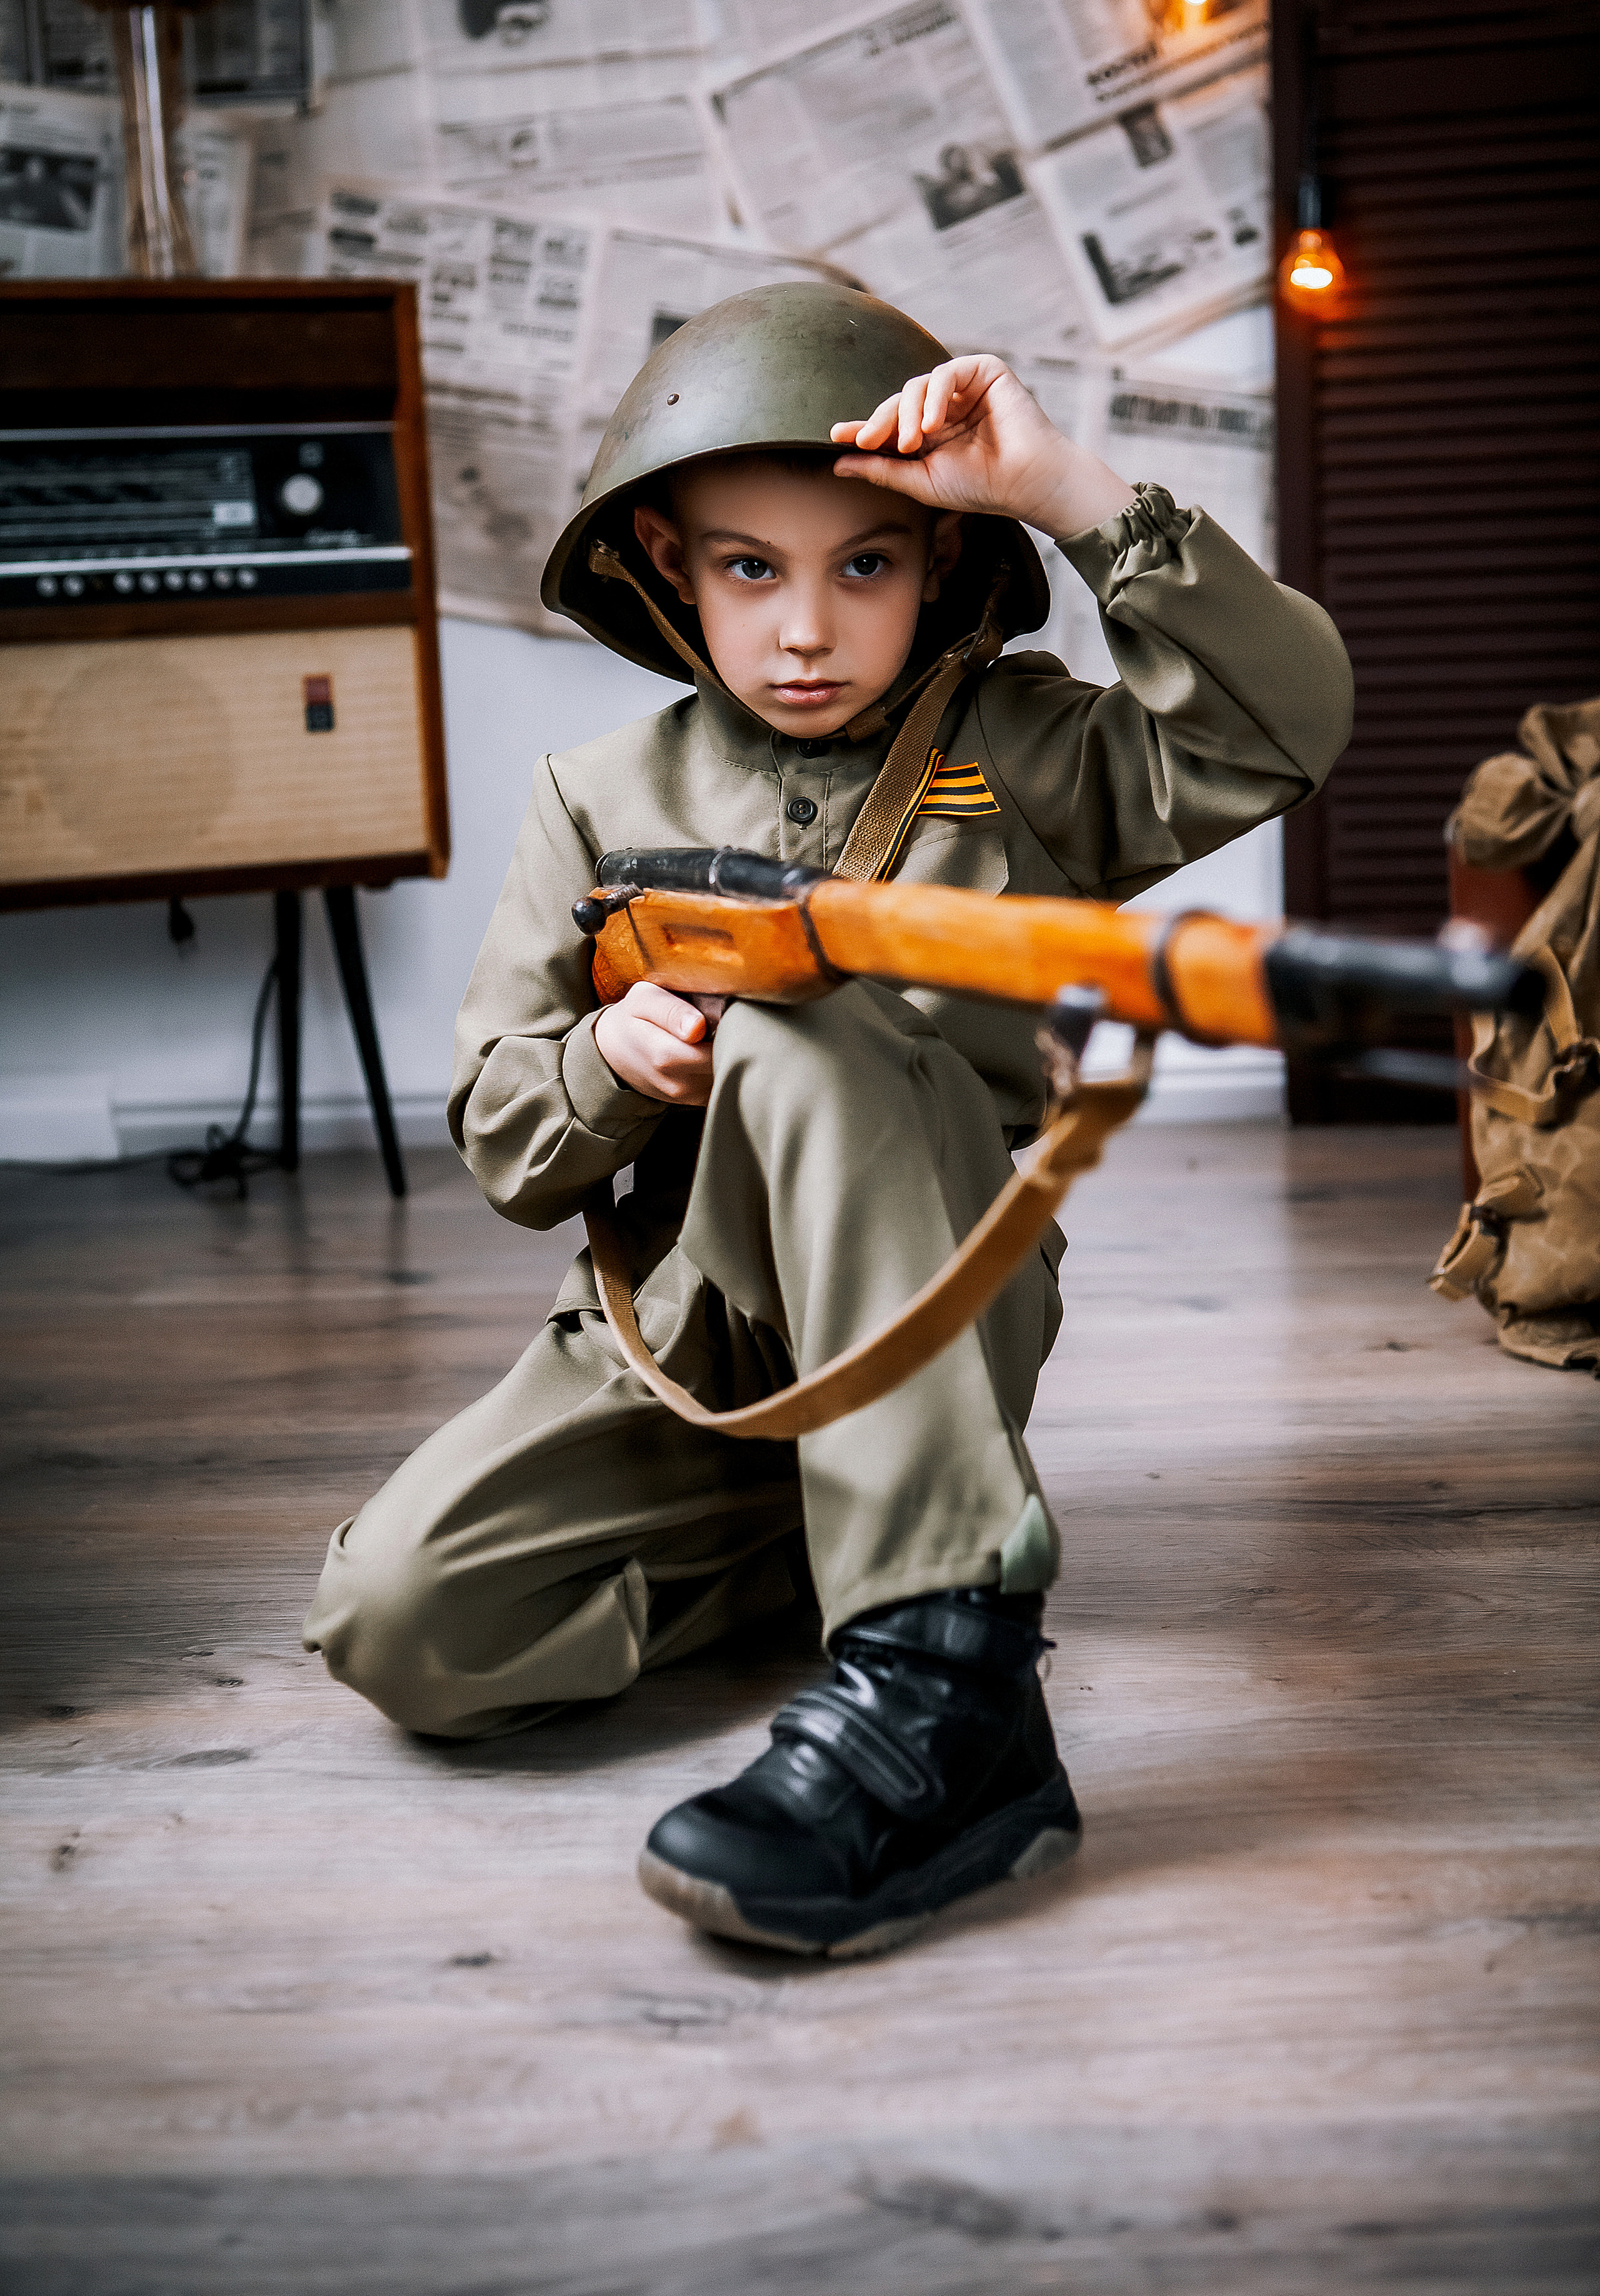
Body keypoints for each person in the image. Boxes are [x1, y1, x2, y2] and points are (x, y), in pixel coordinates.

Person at [302, 283, 1352, 1958]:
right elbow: (502, 1133)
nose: (806, 629)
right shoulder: (596, 799)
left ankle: (951, 1691)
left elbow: (1284, 725)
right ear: (664, 562)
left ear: (936, 564)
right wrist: (608, 1062)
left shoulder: (1017, 751)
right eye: (750, 569)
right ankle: (838, 1537)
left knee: (801, 1034)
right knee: (404, 1624)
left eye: (862, 564)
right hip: (686, 1334)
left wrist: (1072, 493)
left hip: (935, 1282)